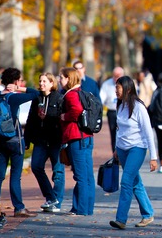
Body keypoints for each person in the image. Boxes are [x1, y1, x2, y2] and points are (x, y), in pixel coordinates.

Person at [0, 67, 39, 218]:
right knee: (15, 175)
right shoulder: (14, 97)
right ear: (15, 81)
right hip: (14, 141)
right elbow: (36, 93)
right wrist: (20, 88)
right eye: (19, 80)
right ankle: (19, 208)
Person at [109, 76, 157, 230]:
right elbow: (119, 129)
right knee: (135, 183)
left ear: (128, 89)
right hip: (122, 149)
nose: (116, 90)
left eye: (119, 87)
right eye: (115, 87)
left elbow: (148, 132)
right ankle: (148, 214)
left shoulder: (138, 107)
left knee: (126, 181)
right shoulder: (119, 105)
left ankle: (121, 219)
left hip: (137, 148)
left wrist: (154, 157)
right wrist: (116, 148)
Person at [24, 72, 65, 213]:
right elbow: (30, 120)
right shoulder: (37, 99)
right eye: (40, 81)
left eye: (44, 81)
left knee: (58, 172)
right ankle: (51, 197)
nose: (41, 84)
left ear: (51, 83)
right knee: (36, 166)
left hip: (55, 141)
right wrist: (27, 139)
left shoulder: (59, 98)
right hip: (40, 141)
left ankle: (56, 203)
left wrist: (46, 117)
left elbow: (61, 120)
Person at [59, 67, 95, 216]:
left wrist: (64, 117)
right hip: (86, 137)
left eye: (61, 77)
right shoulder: (81, 92)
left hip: (76, 137)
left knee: (80, 176)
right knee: (87, 175)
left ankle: (81, 209)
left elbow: (77, 110)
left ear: (68, 79)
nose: (59, 80)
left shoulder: (71, 95)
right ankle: (86, 208)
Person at [99, 66, 125, 153]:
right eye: (115, 75)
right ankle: (115, 153)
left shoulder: (127, 83)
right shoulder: (107, 84)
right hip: (112, 111)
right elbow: (101, 98)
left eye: (118, 75)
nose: (116, 77)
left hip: (124, 111)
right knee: (114, 134)